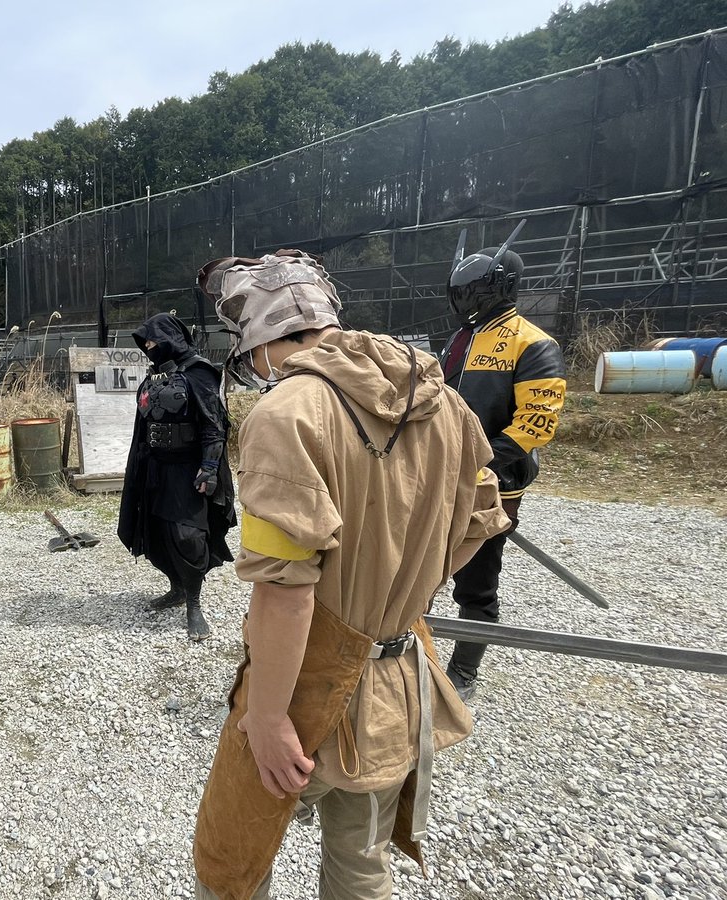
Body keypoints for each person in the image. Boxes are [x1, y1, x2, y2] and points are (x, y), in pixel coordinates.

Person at [191, 250, 510, 900]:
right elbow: (482, 519)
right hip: (398, 678)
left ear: (259, 342)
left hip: (301, 688)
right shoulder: (444, 402)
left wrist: (269, 717)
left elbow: (284, 591)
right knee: (362, 868)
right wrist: (399, 587)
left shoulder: (285, 415)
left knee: (231, 867)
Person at [439, 226, 567, 701]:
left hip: (494, 483)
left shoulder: (534, 344)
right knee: (422, 568)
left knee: (476, 580)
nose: (465, 298)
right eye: (461, 290)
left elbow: (536, 422)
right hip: (440, 477)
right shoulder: (459, 339)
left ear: (502, 286)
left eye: (473, 289)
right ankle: (414, 652)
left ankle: (464, 671)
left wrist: (480, 463)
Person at [117, 312, 236, 641]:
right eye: (145, 342)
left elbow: (214, 425)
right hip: (155, 468)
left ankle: (194, 604)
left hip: (187, 470)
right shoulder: (154, 377)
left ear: (170, 338)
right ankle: (177, 588)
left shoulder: (198, 372)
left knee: (187, 536)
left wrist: (209, 468)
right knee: (155, 532)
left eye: (152, 340)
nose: (148, 347)